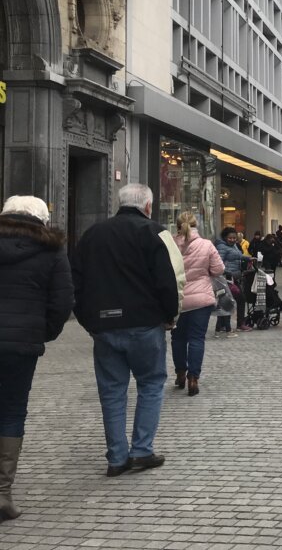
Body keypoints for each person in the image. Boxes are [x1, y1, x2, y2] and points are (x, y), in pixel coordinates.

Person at [72, 184, 185, 477]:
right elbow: (168, 280)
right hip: (145, 324)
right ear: (148, 206)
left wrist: (88, 321)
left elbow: (76, 281)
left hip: (104, 326)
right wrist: (170, 316)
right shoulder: (154, 233)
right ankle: (142, 451)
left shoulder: (92, 235)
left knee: (111, 391)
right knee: (150, 384)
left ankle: (116, 457)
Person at [0, 196, 74, 521]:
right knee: (12, 411)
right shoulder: (51, 249)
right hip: (22, 346)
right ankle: (2, 494)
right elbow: (62, 301)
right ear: (42, 219)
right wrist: (41, 332)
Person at [171, 212, 223, 397]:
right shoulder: (206, 245)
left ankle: (180, 374)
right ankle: (194, 378)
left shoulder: (170, 245)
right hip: (201, 300)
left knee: (177, 339)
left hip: (177, 299)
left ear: (177, 225)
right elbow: (218, 269)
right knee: (196, 339)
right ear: (196, 225)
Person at [214, 227, 251, 335]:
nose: (232, 240)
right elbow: (218, 262)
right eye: (230, 238)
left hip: (234, 277)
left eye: (234, 238)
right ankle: (235, 325)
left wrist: (248, 259)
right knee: (235, 299)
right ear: (225, 237)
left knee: (229, 300)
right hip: (226, 278)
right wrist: (226, 272)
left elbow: (238, 255)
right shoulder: (221, 247)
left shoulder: (233, 246)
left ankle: (222, 326)